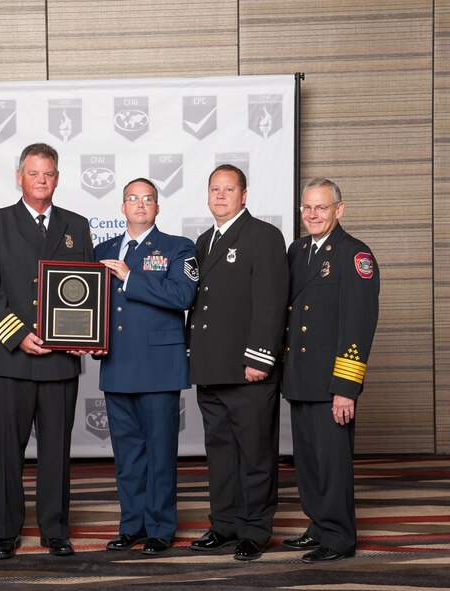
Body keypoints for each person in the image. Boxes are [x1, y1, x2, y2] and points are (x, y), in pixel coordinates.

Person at [0, 142, 94, 559]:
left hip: (59, 362)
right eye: (34, 173)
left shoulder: (77, 225)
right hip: (9, 359)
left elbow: (84, 291)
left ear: (58, 178)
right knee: (6, 452)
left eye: (49, 174)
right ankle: (6, 531)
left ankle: (55, 529)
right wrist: (18, 334)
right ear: (19, 177)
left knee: (56, 452)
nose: (42, 180)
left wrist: (83, 336)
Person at [186, 164, 289, 561]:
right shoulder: (202, 241)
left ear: (244, 195)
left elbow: (271, 302)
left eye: (229, 189)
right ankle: (224, 524)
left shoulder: (263, 236)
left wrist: (260, 358)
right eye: (214, 189)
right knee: (221, 453)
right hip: (211, 368)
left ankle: (255, 529)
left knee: (256, 454)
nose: (220, 196)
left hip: (248, 370)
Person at [94, 178, 198, 556]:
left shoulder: (177, 247)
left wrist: (130, 276)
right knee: (127, 455)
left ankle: (160, 528)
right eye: (133, 199)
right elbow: (92, 307)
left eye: (148, 199)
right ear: (122, 207)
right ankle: (132, 525)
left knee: (159, 453)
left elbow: (183, 295)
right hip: (117, 364)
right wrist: (87, 339)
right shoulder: (102, 249)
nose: (140, 204)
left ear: (157, 207)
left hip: (158, 367)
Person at [281, 178, 380, 562]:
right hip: (301, 377)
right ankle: (318, 525)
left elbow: (357, 325)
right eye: (307, 207)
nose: (312, 214)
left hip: (330, 382)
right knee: (307, 462)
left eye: (321, 207)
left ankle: (339, 537)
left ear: (339, 210)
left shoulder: (355, 255)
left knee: (332, 464)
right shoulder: (297, 250)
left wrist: (346, 388)